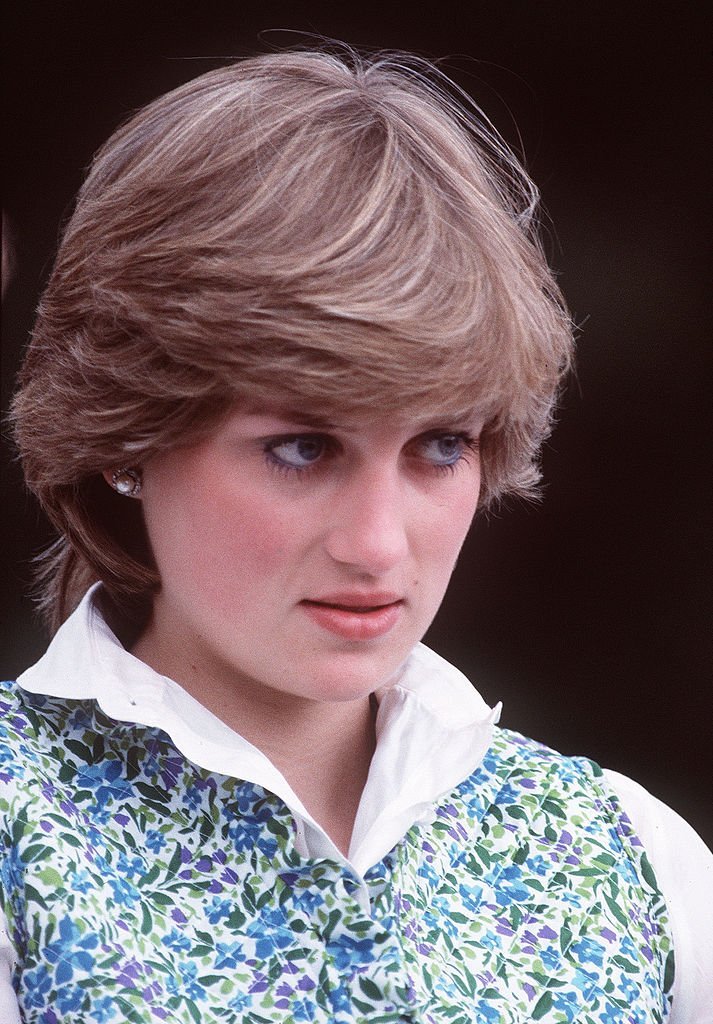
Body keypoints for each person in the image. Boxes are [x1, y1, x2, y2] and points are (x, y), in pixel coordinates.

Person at [1, 45, 710, 1024]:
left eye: (437, 445)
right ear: (128, 436)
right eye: (300, 447)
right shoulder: (16, 839)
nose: (377, 544)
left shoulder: (632, 862)